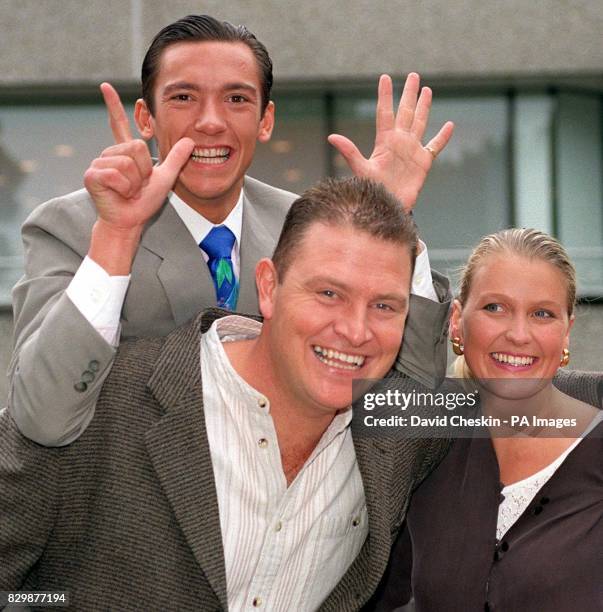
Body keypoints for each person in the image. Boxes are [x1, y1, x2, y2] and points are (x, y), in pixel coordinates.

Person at [1, 177, 450, 611]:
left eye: (384, 306)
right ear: (269, 288)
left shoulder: (398, 430)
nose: (355, 330)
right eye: (329, 293)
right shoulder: (103, 402)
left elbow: (516, 406)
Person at [8, 14, 453, 447]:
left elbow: (409, 410)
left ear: (266, 120)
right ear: (146, 118)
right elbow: (42, 418)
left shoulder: (308, 227)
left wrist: (392, 220)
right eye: (183, 97)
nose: (211, 122)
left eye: (236, 99)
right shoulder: (73, 227)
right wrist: (116, 238)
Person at [367, 228, 602, 611]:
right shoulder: (430, 449)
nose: (518, 334)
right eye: (495, 308)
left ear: (567, 332)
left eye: (542, 314)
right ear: (458, 320)